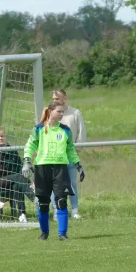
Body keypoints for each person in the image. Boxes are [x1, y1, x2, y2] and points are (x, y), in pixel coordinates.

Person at [22, 100, 85, 240]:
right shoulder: (39, 129)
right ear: (51, 112)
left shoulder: (65, 130)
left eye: (63, 112)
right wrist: (27, 161)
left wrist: (78, 165)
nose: (62, 114)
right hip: (42, 169)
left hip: (60, 169)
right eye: (59, 111)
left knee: (61, 200)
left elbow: (70, 150)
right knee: (43, 203)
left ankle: (62, 234)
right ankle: (44, 233)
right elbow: (30, 145)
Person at [50, 89, 86, 220]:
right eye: (53, 99)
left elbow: (81, 134)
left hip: (70, 155)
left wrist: (76, 151)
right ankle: (56, 210)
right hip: (55, 157)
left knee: (72, 183)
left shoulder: (75, 113)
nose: (54, 101)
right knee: (55, 185)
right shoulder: (51, 114)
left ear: (64, 98)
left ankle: (75, 210)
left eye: (57, 99)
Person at [0, 126, 36, 223]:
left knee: (17, 186)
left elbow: (19, 166)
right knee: (18, 177)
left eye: (3, 136)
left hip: (13, 182)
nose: (1, 138)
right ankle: (34, 197)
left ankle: (21, 215)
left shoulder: (12, 150)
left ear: (6, 137)